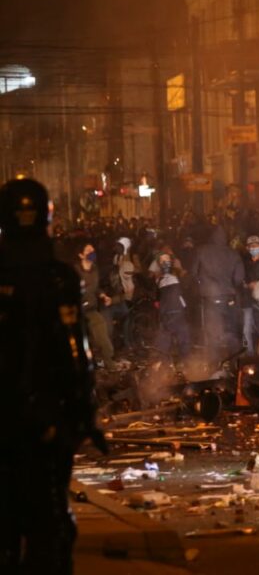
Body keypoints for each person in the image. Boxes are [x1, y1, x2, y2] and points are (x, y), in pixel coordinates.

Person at [0, 178, 106, 574]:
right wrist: (84, 413)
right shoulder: (57, 277)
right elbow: (76, 352)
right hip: (47, 416)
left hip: (11, 416)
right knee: (50, 525)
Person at [189, 225, 244, 364]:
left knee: (212, 335)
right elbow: (239, 278)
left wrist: (201, 285)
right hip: (229, 299)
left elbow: (193, 273)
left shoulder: (201, 250)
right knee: (231, 334)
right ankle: (235, 367)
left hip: (210, 299)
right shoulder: (233, 254)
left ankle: (215, 369)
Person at [73, 240, 115, 367]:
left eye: (93, 250)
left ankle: (109, 362)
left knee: (102, 328)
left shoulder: (95, 269)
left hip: (90, 309)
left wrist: (103, 295)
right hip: (76, 311)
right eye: (88, 251)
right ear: (81, 255)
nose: (92, 253)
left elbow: (96, 288)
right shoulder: (75, 271)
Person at [154, 252, 190, 361]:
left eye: (167, 259)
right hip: (166, 314)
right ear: (159, 263)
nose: (165, 263)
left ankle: (186, 365)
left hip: (178, 312)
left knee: (184, 341)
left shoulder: (179, 274)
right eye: (162, 261)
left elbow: (187, 287)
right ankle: (165, 368)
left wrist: (180, 270)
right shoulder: (159, 279)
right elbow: (158, 297)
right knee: (163, 344)